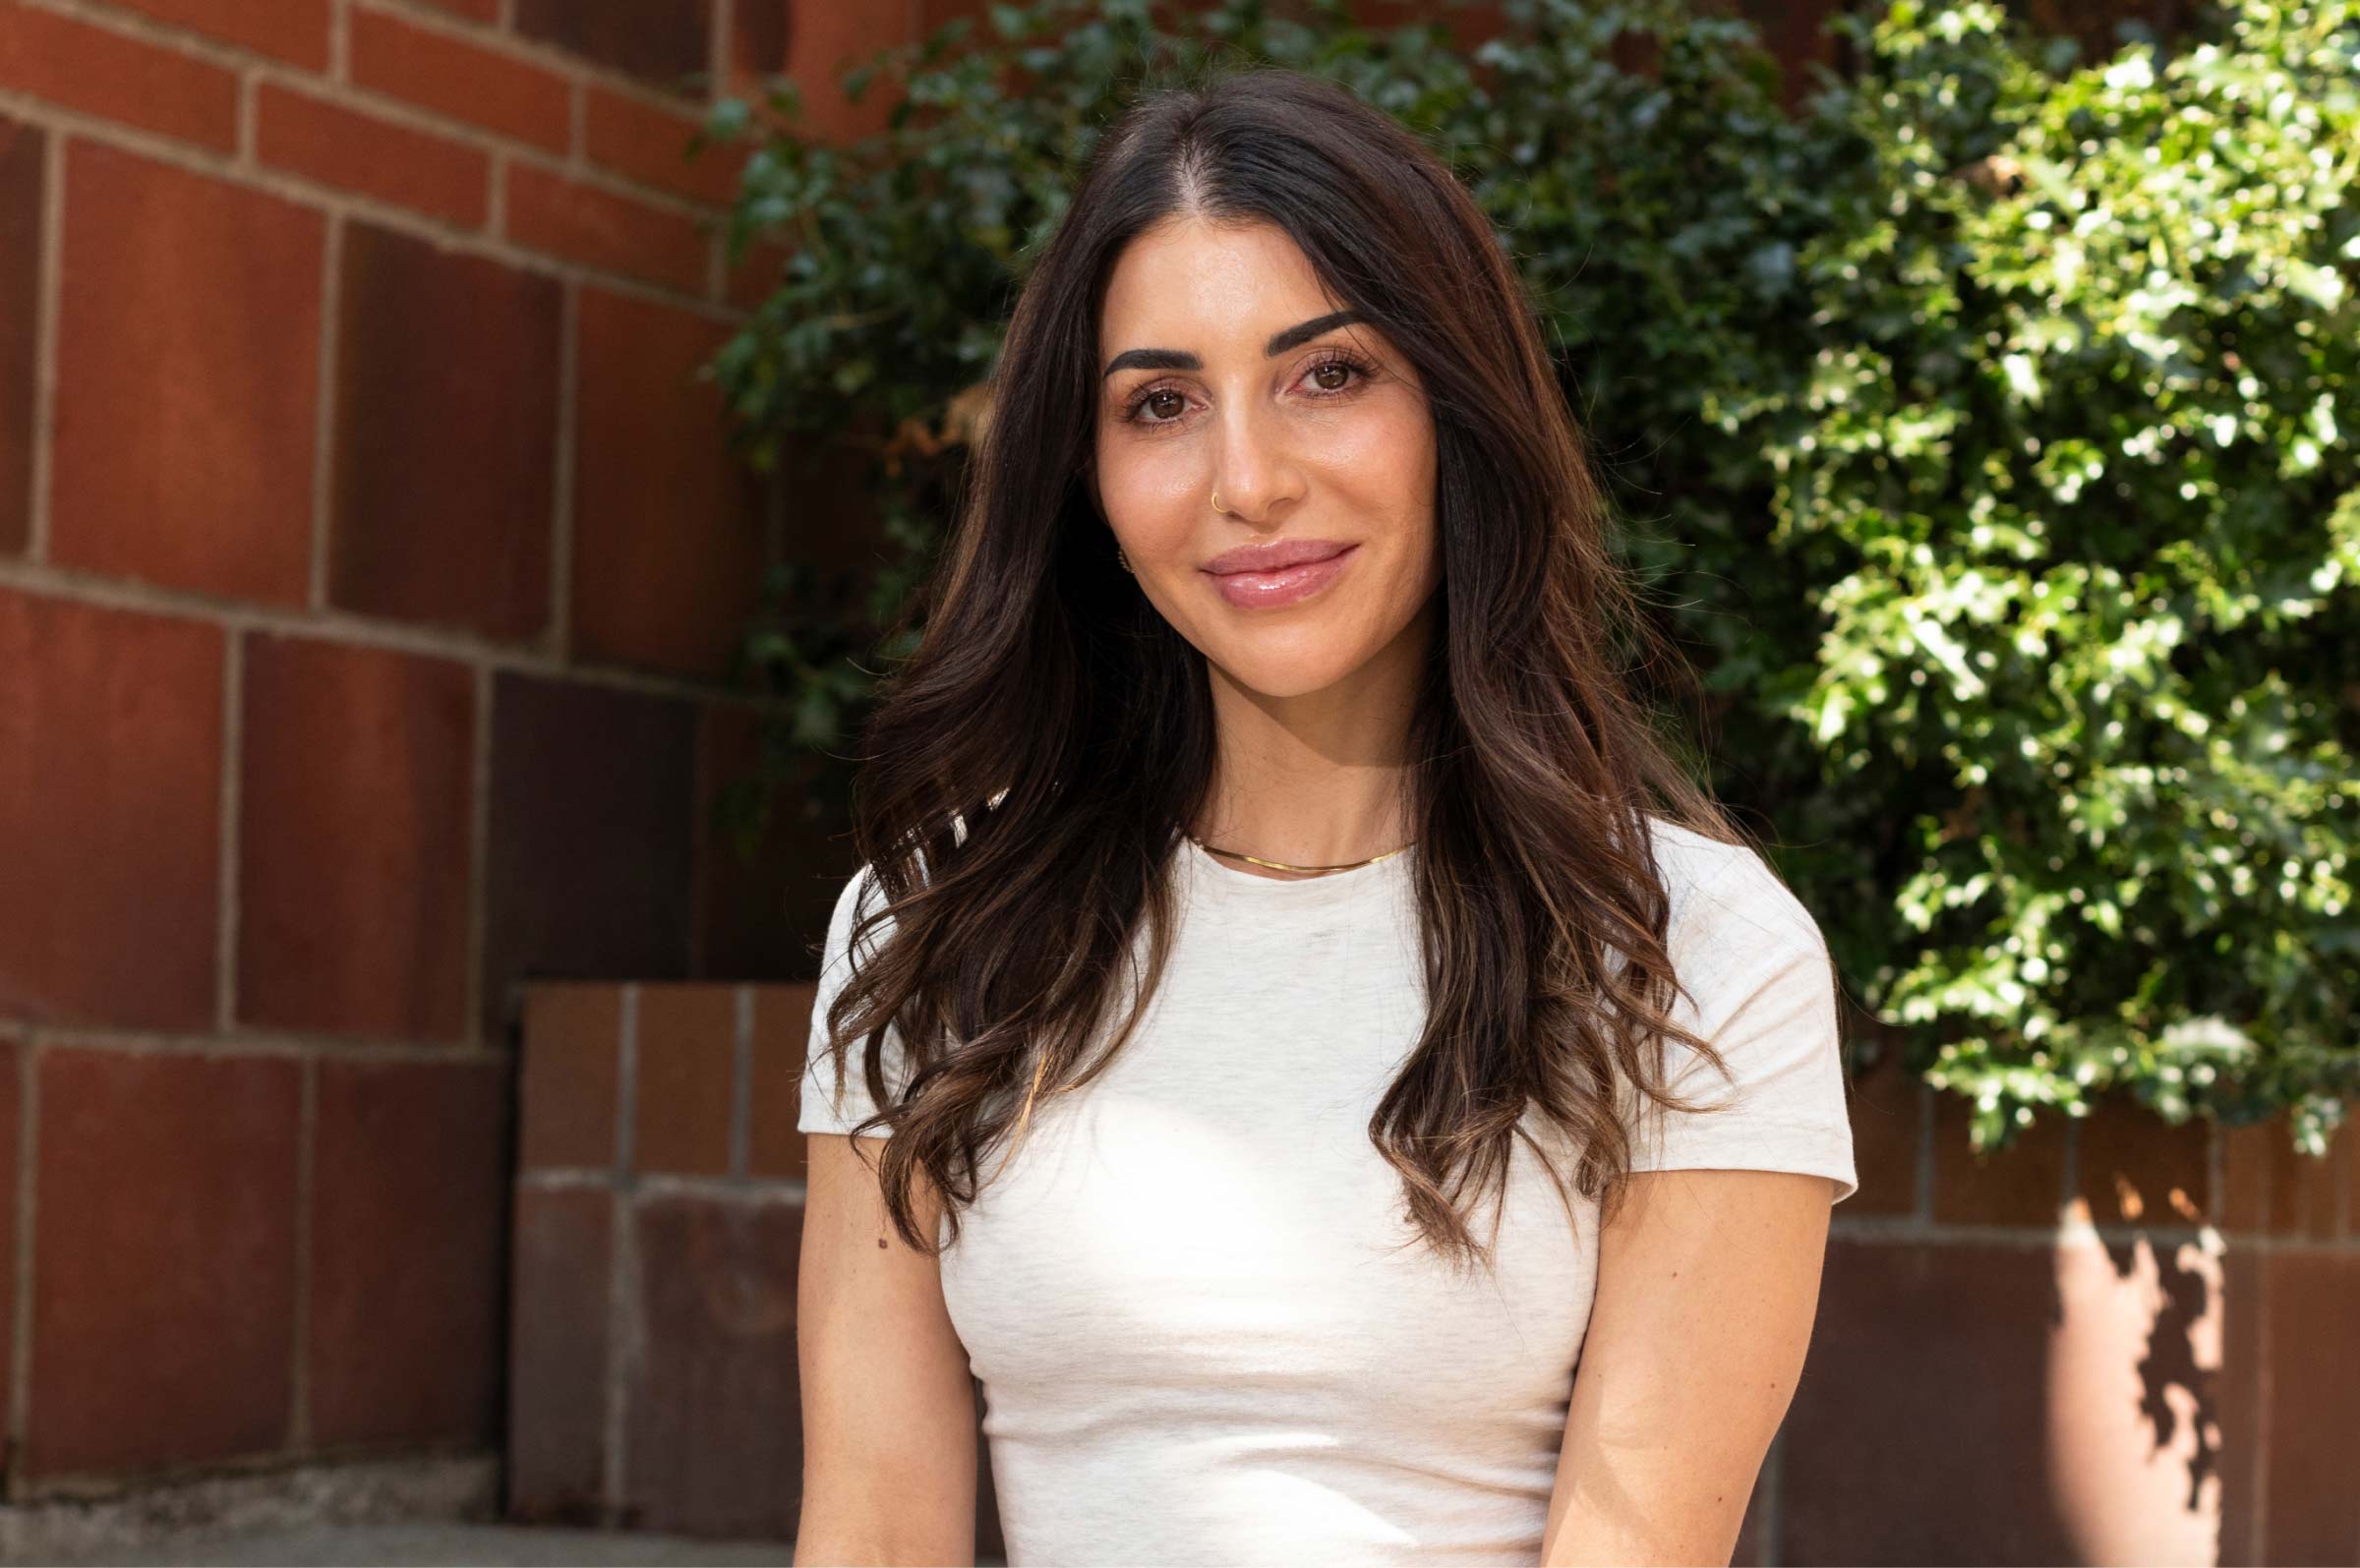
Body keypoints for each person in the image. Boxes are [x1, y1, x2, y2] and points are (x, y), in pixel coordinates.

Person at [793, 62, 1858, 1568]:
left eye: (1329, 374)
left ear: (1455, 409)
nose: (1248, 479)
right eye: (1161, 403)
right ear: (1086, 472)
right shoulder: (932, 924)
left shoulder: (1691, 953)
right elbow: (873, 1532)